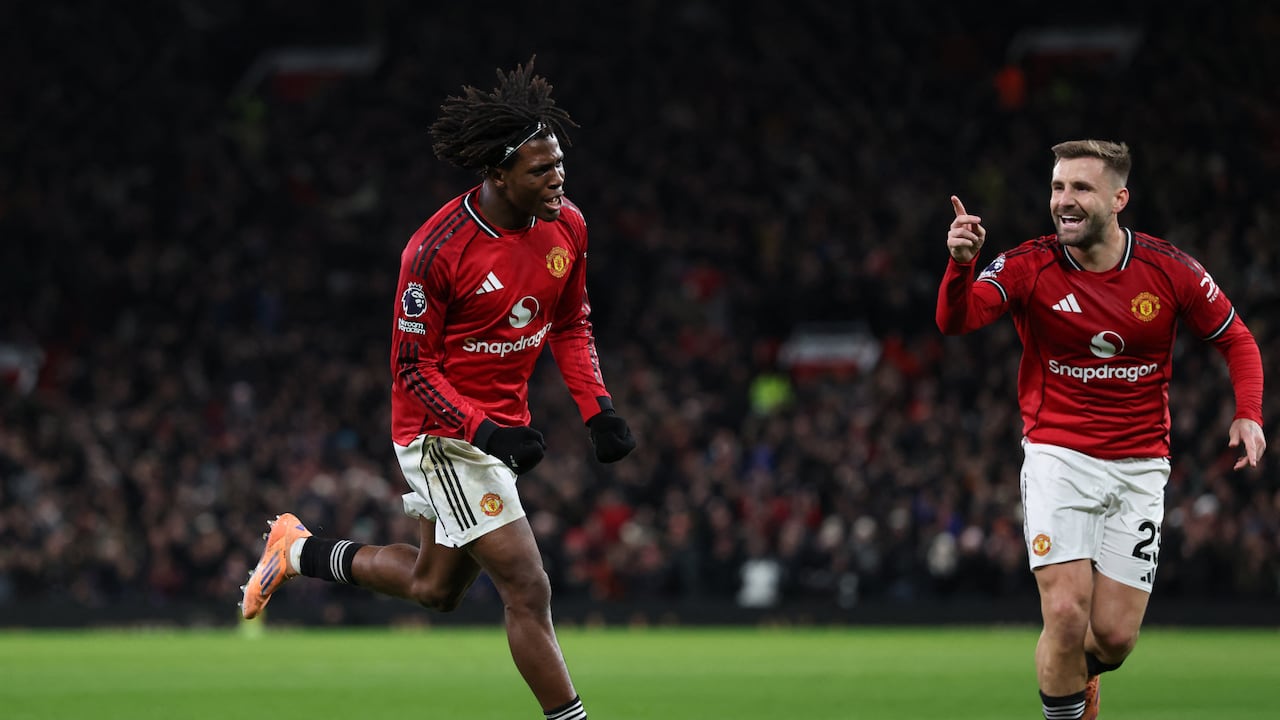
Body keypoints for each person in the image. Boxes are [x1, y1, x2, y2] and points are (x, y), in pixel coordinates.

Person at [241, 57, 636, 720]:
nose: (558, 179)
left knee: (435, 588)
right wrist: (485, 433)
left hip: (497, 430)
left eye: (561, 163)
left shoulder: (568, 225)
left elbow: (570, 321)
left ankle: (298, 551)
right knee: (526, 585)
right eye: (542, 169)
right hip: (440, 434)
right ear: (499, 172)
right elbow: (411, 369)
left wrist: (598, 411)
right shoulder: (434, 252)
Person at [936, 139, 1266, 720]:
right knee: (1065, 616)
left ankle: (1076, 681)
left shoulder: (1167, 269)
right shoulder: (1027, 265)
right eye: (1058, 187)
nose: (1065, 201)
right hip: (1058, 457)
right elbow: (957, 319)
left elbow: (1236, 338)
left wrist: (1249, 412)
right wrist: (961, 265)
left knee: (1112, 639)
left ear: (1119, 198)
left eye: (1081, 188)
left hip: (1141, 468)